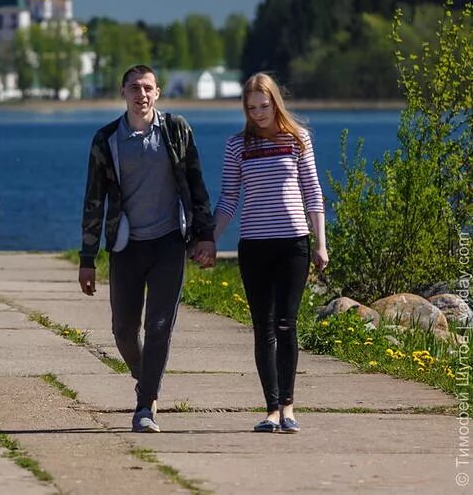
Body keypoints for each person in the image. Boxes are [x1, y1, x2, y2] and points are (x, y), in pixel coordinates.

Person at [78, 65, 216, 433]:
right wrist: (87, 259)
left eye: (148, 88)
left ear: (158, 93)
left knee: (158, 325)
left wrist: (206, 236)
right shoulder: (106, 139)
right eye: (135, 88)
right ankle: (146, 377)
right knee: (123, 330)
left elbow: (196, 183)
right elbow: (93, 200)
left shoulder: (176, 130)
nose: (142, 94)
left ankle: (145, 406)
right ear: (123, 92)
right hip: (126, 246)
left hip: (169, 243)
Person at [213, 73, 327, 434]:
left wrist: (320, 243)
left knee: (285, 323)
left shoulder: (297, 139)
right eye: (251, 108)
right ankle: (272, 409)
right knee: (263, 326)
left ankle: (290, 406)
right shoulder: (238, 146)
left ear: (275, 102)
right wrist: (209, 239)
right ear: (244, 109)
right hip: (255, 245)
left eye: (264, 106)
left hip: (293, 244)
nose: (258, 113)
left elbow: (313, 193)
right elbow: (229, 197)